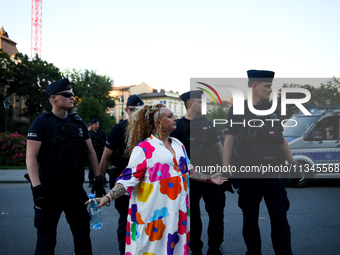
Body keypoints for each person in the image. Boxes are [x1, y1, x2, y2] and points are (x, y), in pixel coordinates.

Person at [88, 104, 228, 255]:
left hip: (178, 214)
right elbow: (127, 180)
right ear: (158, 123)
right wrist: (108, 197)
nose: (175, 119)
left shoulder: (178, 145)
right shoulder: (144, 149)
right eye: (170, 116)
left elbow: (188, 169)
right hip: (155, 218)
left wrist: (208, 178)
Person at [26, 78, 105, 255]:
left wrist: (99, 178)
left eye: (72, 94)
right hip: (49, 189)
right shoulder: (42, 122)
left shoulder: (78, 123)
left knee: (83, 236)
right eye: (67, 95)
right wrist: (37, 187)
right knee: (46, 240)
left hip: (74, 188)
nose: (72, 97)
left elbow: (91, 152)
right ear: (53, 98)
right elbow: (30, 155)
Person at [223, 70, 296, 255]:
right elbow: (229, 140)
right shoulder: (237, 109)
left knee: (280, 220)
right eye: (267, 86)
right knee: (250, 220)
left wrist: (293, 163)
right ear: (254, 86)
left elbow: (281, 139)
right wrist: (225, 169)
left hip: (273, 173)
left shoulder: (274, 108)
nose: (271, 90)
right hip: (248, 174)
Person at [171, 90, 232, 255]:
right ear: (190, 104)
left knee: (216, 216)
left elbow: (220, 147)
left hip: (213, 178)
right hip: (190, 180)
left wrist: (226, 170)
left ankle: (214, 249)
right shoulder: (177, 127)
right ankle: (195, 249)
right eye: (200, 101)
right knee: (193, 218)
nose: (203, 104)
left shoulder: (209, 124)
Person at [98, 94, 144, 255]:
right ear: (126, 110)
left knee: (143, 219)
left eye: (140, 111)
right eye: (133, 110)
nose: (137, 114)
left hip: (143, 182)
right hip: (122, 181)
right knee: (126, 219)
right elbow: (105, 158)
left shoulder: (145, 130)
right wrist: (99, 181)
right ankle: (124, 250)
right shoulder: (118, 130)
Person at [88, 119, 107, 187]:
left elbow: (106, 142)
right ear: (92, 125)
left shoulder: (102, 133)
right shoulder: (89, 133)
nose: (97, 126)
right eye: (96, 124)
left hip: (100, 152)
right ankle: (91, 181)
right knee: (91, 167)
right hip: (92, 152)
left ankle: (103, 181)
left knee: (101, 166)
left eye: (98, 124)